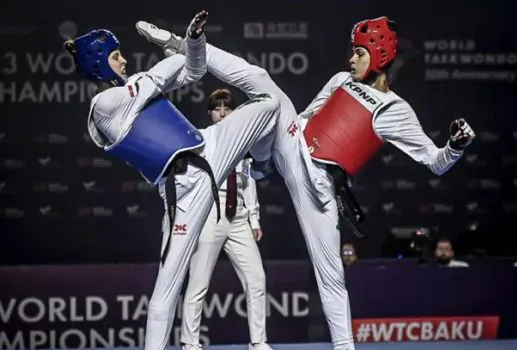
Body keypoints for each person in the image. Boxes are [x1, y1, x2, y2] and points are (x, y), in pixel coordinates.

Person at [136, 16, 475, 350]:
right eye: (353, 51)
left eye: (359, 52)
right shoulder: (342, 79)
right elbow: (307, 116)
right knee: (263, 82)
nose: (351, 58)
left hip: (321, 191)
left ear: (381, 54)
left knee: (331, 278)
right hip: (294, 147)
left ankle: (345, 348)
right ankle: (187, 47)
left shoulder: (394, 109)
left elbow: (436, 162)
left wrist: (455, 147)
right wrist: (272, 141)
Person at [65, 11, 280, 350]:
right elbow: (157, 77)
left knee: (270, 102)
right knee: (167, 286)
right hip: (182, 191)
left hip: (210, 149)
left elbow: (194, 70)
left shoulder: (133, 88)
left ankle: (262, 166)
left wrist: (194, 42)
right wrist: (173, 47)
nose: (123, 60)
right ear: (97, 65)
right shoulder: (103, 106)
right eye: (116, 56)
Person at [179, 89, 271, 350]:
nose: (222, 112)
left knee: (257, 278)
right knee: (198, 281)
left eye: (227, 108)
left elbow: (249, 181)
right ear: (209, 113)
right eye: (217, 108)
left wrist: (254, 219)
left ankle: (258, 342)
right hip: (210, 213)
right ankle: (190, 343)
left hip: (239, 217)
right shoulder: (202, 139)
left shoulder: (244, 142)